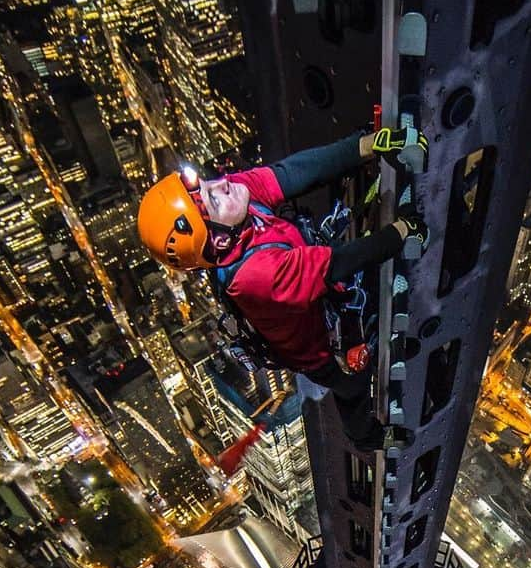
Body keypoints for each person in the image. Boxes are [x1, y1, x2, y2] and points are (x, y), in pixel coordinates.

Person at [136, 128, 426, 446]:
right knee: (352, 384)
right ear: (217, 239)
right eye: (213, 197)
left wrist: (366, 146)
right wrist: (404, 231)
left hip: (309, 287)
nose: (222, 182)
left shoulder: (232, 209)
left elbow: (292, 173)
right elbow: (340, 263)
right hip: (317, 350)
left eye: (208, 185)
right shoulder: (255, 276)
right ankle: (366, 437)